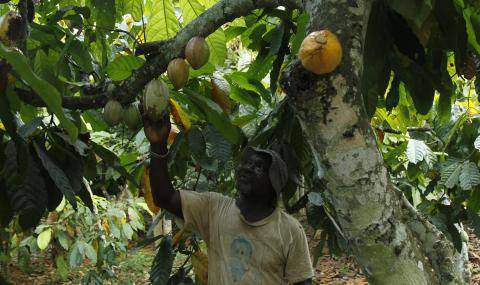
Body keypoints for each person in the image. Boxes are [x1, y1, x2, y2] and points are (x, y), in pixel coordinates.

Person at [144, 111, 314, 285]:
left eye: (259, 167)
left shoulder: (290, 230)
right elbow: (164, 197)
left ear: (273, 183)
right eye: (246, 163)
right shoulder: (214, 208)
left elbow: (302, 282)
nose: (247, 168)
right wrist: (158, 145)